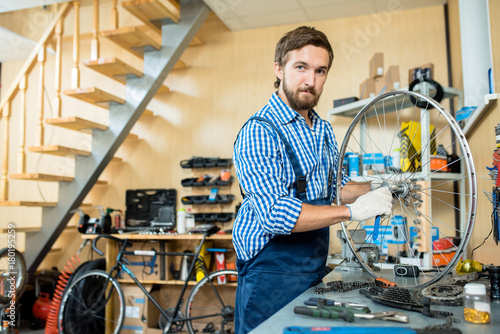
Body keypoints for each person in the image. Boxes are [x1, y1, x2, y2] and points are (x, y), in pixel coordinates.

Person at [232, 26, 392, 333]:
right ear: (278, 69)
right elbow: (274, 214)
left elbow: (335, 190)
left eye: (321, 71)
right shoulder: (260, 131)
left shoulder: (322, 129)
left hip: (311, 269)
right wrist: (351, 212)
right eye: (301, 67)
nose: (311, 80)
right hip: (270, 273)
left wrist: (379, 190)